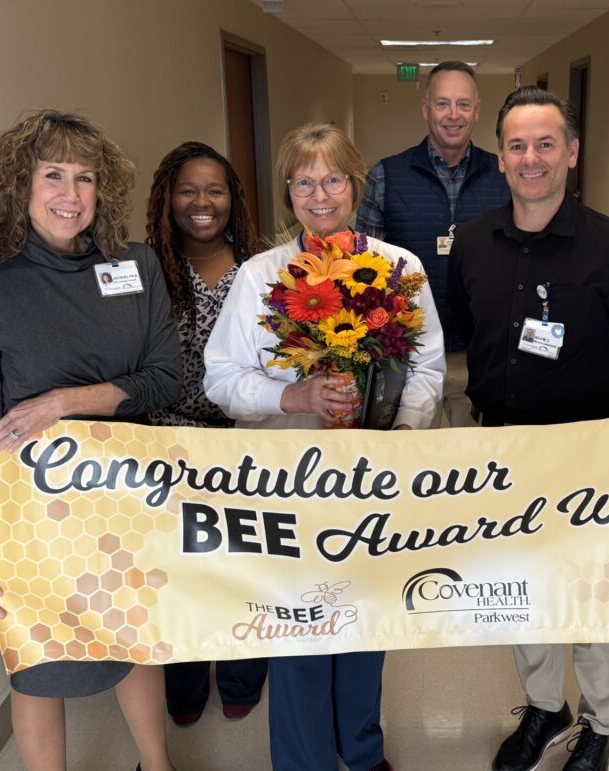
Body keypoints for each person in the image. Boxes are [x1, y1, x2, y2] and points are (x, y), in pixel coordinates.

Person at [203, 122, 445, 771]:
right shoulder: (260, 276)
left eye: (332, 177)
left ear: (355, 184)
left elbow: (427, 370)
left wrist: (401, 433)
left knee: (366, 622)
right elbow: (220, 377)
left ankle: (362, 750)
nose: (319, 193)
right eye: (304, 180)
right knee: (299, 628)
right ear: (288, 190)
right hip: (288, 484)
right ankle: (304, 759)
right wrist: (297, 399)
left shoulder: (401, 270)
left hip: (373, 478)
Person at [0, 109, 181, 770]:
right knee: (38, 663)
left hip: (126, 501)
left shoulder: (135, 267)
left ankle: (156, 765)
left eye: (85, 178)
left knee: (134, 641)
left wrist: (64, 403)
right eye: (53, 174)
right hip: (32, 515)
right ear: (20, 186)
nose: (70, 194)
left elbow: (166, 379)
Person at [448, 87, 609, 771]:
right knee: (523, 591)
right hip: (503, 450)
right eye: (517, 145)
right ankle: (545, 704)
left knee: (594, 596)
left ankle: (601, 722)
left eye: (546, 143)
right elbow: (466, 336)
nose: (531, 158)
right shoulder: (474, 244)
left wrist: (600, 432)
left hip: (590, 455)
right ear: (501, 157)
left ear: (571, 152)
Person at [145, 141, 269, 726]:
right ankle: (186, 683)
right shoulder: (143, 271)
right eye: (188, 190)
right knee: (181, 575)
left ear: (232, 198)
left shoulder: (264, 268)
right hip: (165, 445)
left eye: (215, 190)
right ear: (167, 199)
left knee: (245, 566)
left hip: (245, 440)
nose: (202, 202)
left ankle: (243, 673)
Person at [357, 61, 510, 425]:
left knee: (470, 466)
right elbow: (363, 272)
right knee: (410, 465)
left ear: (477, 111)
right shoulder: (385, 175)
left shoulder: (505, 177)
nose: (453, 115)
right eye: (443, 104)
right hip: (404, 357)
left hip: (481, 356)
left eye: (463, 104)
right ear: (426, 109)